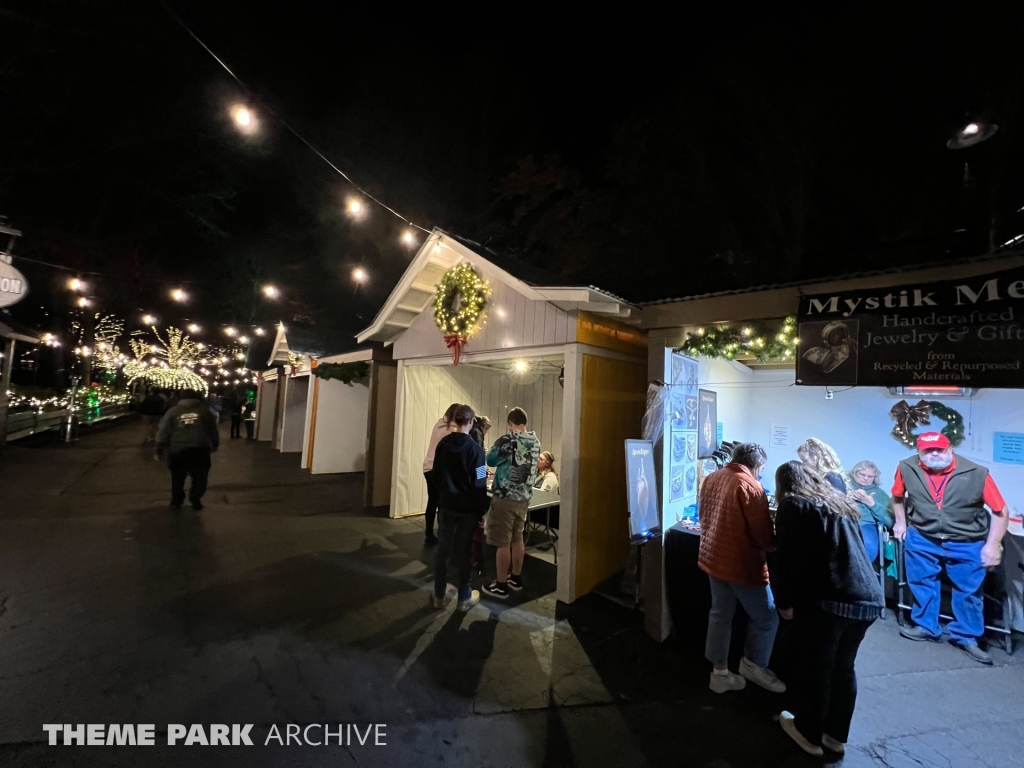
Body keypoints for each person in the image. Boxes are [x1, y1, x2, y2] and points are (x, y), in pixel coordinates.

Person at [773, 461, 884, 758]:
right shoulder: (839, 503)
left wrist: (784, 601)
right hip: (868, 598)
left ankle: (808, 735)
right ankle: (835, 736)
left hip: (832, 599)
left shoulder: (793, 505)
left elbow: (787, 559)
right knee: (844, 668)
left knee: (816, 668)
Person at [892, 432, 1009, 665]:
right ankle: (926, 626)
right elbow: (897, 496)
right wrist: (901, 522)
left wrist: (993, 544)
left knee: (968, 590)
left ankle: (966, 636)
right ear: (919, 451)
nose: (934, 453)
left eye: (940, 449)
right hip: (923, 536)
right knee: (921, 582)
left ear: (950, 449)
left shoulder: (976, 473)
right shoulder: (906, 468)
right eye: (928, 450)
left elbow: (1000, 511)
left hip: (966, 540)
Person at [697, 442, 786, 695]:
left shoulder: (713, 477)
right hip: (740, 563)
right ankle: (753, 665)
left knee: (720, 615)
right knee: (767, 617)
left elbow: (705, 515)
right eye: (761, 468)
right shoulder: (750, 485)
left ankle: (719, 674)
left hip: (713, 556)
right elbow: (761, 535)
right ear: (756, 465)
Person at [430, 404, 488, 612]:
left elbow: (436, 473)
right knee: (463, 552)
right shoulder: (476, 450)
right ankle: (464, 598)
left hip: (446, 506)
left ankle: (438, 595)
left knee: (442, 551)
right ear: (471, 422)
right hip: (468, 510)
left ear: (454, 420)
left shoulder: (443, 445)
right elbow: (480, 481)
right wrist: (482, 511)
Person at [482, 407, 541, 599]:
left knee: (502, 543)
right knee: (517, 539)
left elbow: (490, 460)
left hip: (505, 498)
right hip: (523, 499)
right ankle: (515, 578)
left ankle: (500, 585)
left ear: (510, 423)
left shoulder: (508, 440)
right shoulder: (535, 441)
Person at [155, 389, 220, 511]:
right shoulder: (204, 411)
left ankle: (177, 500)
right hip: (200, 448)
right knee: (200, 475)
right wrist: (215, 443)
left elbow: (164, 430)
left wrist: (160, 446)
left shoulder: (173, 411)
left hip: (178, 449)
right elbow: (212, 428)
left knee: (178, 476)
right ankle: (195, 497)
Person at [422, 403, 461, 545]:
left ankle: (429, 532)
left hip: (427, 467)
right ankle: (442, 535)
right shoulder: (451, 430)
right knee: (442, 504)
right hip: (437, 469)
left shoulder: (439, 424)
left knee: (432, 502)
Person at [847, 460, 893, 562]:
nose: (866, 478)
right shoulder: (844, 485)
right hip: (843, 521)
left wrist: (872, 504)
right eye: (862, 474)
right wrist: (846, 500)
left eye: (870, 476)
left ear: (875, 478)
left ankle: (860, 573)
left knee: (868, 544)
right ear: (854, 473)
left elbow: (889, 521)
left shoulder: (880, 494)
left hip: (866, 524)